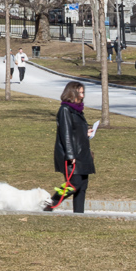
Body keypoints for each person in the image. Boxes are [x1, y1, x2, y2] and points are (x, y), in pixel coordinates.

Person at [52, 81, 96, 213]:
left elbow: (75, 132)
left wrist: (86, 133)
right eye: (80, 93)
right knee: (73, 184)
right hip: (73, 155)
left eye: (83, 92)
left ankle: (79, 215)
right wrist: (70, 155)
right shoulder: (65, 110)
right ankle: (50, 204)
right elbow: (65, 134)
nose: (82, 96)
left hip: (82, 154)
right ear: (72, 93)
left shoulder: (77, 110)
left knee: (82, 186)